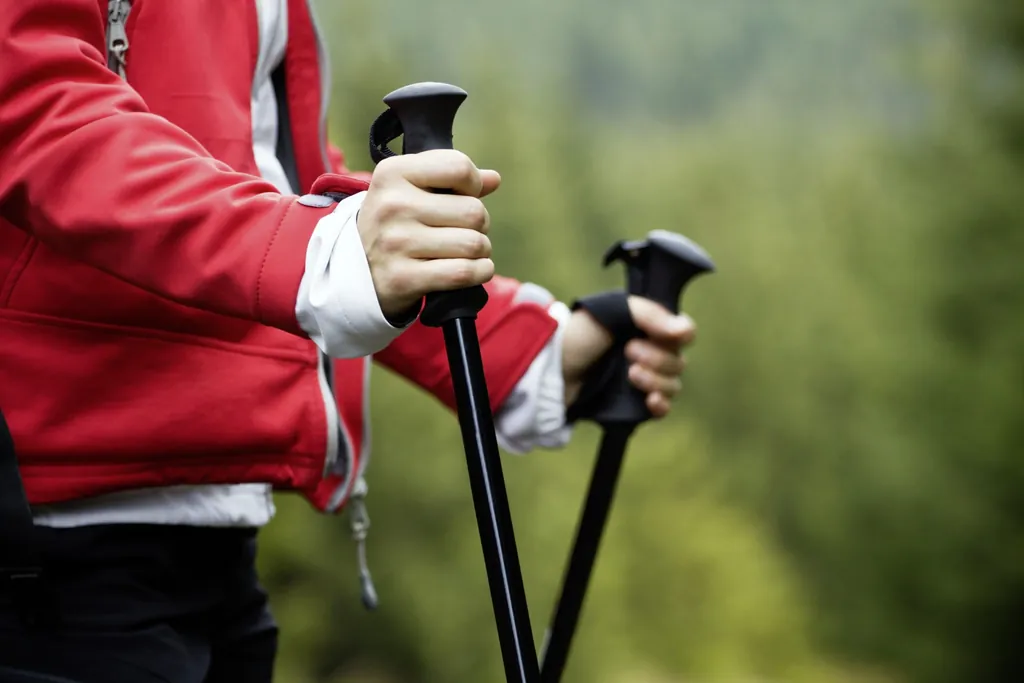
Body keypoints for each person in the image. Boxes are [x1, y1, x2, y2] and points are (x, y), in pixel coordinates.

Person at [0, 1, 699, 681]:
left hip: (210, 555)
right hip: (45, 555)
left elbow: (271, 184)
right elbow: (34, 102)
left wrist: (524, 355)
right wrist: (315, 249)